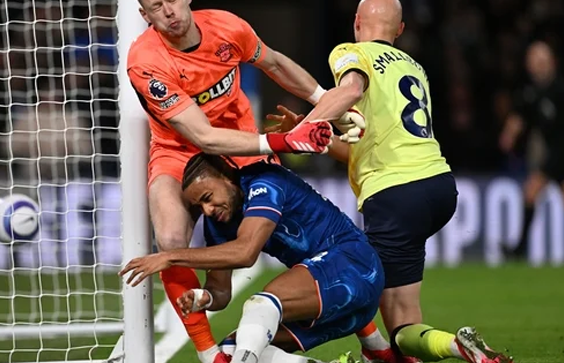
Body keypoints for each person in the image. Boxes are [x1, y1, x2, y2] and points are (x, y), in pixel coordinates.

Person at [126, 0, 374, 362]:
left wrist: (328, 103)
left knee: (278, 223)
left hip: (240, 140)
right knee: (171, 237)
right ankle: (211, 355)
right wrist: (284, 141)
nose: (169, 11)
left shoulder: (227, 28)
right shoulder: (146, 61)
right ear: (146, 17)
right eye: (157, 7)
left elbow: (274, 63)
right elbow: (202, 136)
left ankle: (355, 312)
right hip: (179, 148)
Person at [268, 0, 513, 363]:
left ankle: (428, 351)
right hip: (438, 186)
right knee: (402, 318)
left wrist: (303, 127)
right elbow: (359, 149)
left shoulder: (352, 52)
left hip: (395, 193)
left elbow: (349, 90)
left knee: (359, 289)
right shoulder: (415, 68)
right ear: (399, 29)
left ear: (356, 23)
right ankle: (436, 349)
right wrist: (324, 136)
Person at [121, 153, 386, 363]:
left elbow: (246, 253)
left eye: (207, 198)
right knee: (232, 348)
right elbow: (220, 292)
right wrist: (205, 297)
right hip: (342, 309)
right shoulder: (219, 223)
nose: (207, 210)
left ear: (227, 177)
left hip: (356, 265)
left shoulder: (264, 183)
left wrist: (170, 257)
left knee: (261, 305)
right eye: (199, 207)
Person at [499, 41, 564, 259]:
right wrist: (509, 135)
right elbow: (519, 117)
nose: (538, 66)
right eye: (534, 61)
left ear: (552, 62)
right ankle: (520, 249)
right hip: (552, 154)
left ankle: (519, 249)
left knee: (535, 191)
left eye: (542, 61)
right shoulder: (530, 92)